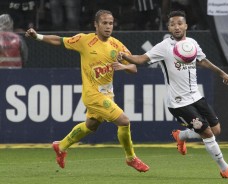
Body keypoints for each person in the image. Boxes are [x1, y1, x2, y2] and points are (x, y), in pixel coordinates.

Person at [119, 10, 228, 179]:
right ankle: (225, 169)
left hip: (196, 96)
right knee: (207, 133)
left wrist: (222, 73)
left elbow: (202, 60)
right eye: (172, 24)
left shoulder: (192, 43)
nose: (176, 27)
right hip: (179, 103)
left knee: (216, 130)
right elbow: (142, 59)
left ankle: (181, 135)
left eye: (179, 23)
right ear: (169, 27)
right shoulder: (164, 46)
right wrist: (126, 57)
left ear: (186, 25)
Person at [25, 10, 149, 172]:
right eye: (104, 23)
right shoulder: (85, 40)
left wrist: (124, 66)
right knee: (124, 121)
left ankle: (61, 146)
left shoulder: (116, 45)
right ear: (96, 25)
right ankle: (131, 158)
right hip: (92, 95)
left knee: (91, 125)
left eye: (110, 23)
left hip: (107, 94)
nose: (108, 27)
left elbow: (134, 67)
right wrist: (37, 37)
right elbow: (59, 41)